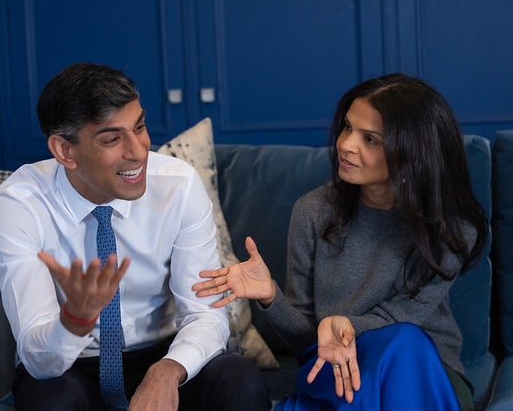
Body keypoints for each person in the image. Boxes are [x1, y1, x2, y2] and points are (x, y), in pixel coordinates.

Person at [193, 73, 487, 410]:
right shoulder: (313, 211)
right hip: (336, 369)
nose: (346, 144)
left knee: (404, 340)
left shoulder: (450, 230)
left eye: (370, 139)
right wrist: (271, 297)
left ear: (412, 152)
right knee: (352, 377)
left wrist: (344, 324)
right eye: (347, 127)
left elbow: (399, 321)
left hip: (428, 375)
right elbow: (305, 340)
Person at [0, 62, 269, 411]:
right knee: (52, 399)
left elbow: (204, 314)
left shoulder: (178, 185)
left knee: (240, 380)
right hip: (71, 362)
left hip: (163, 353)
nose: (138, 152)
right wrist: (74, 321)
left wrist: (167, 371)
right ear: (64, 151)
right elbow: (38, 358)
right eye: (112, 139)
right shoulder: (20, 203)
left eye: (139, 127)